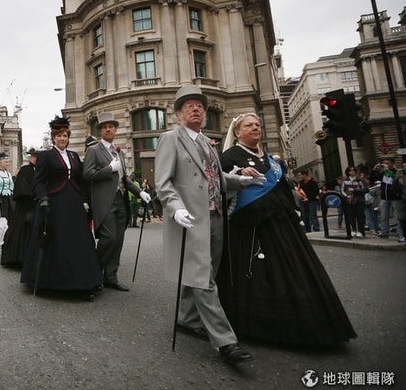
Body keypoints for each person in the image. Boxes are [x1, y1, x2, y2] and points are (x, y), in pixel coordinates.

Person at [217, 112, 357, 346]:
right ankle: (258, 326)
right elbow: (219, 185)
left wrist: (294, 210)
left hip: (282, 221)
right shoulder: (229, 156)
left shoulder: (269, 159)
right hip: (251, 225)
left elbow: (282, 187)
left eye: (257, 124)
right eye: (249, 125)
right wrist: (238, 174)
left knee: (295, 268)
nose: (255, 127)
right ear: (238, 132)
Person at [154, 85, 257, 365]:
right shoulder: (170, 139)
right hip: (190, 220)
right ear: (178, 113)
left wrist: (241, 180)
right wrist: (175, 208)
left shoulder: (207, 143)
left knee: (203, 272)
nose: (196, 109)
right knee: (203, 279)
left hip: (216, 217)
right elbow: (163, 183)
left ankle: (186, 319)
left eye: (200, 106)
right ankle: (226, 342)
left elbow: (217, 178)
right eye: (189, 106)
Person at [21, 116, 103, 300]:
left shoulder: (74, 156)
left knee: (79, 241)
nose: (62, 139)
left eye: (65, 135)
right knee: (57, 241)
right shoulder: (46, 156)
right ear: (53, 137)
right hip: (54, 203)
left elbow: (80, 180)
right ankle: (53, 282)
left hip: (73, 202)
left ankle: (84, 281)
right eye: (59, 136)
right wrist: (43, 198)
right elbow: (39, 181)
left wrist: (86, 198)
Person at [83, 112, 151, 292]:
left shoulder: (119, 152)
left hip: (121, 200)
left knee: (118, 240)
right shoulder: (93, 150)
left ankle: (110, 277)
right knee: (109, 238)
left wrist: (140, 192)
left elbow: (124, 179)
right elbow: (87, 174)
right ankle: (93, 274)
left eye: (111, 126)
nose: (108, 129)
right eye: (105, 127)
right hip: (105, 202)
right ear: (100, 131)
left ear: (115, 129)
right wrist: (108, 168)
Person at [1, 147, 38, 267]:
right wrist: (33, 194)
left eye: (37, 156)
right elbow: (21, 187)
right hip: (26, 205)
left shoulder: (41, 169)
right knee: (22, 230)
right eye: (34, 156)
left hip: (37, 204)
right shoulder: (25, 170)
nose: (36, 158)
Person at [377, 158, 401, 239]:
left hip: (395, 197)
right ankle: (384, 232)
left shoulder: (397, 172)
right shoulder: (383, 172)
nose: (386, 164)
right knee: (383, 216)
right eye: (384, 163)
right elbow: (374, 178)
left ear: (393, 164)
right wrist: (374, 170)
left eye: (388, 163)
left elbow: (395, 178)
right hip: (384, 197)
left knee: (398, 216)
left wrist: (387, 170)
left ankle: (400, 232)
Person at [341, 166, 368, 237]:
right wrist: (346, 196)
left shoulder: (360, 180)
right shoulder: (345, 181)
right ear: (348, 172)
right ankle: (353, 230)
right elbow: (342, 190)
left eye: (353, 170)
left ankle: (360, 231)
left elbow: (366, 190)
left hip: (360, 200)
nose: (352, 171)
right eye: (350, 170)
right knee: (351, 216)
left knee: (360, 216)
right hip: (350, 201)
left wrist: (355, 190)